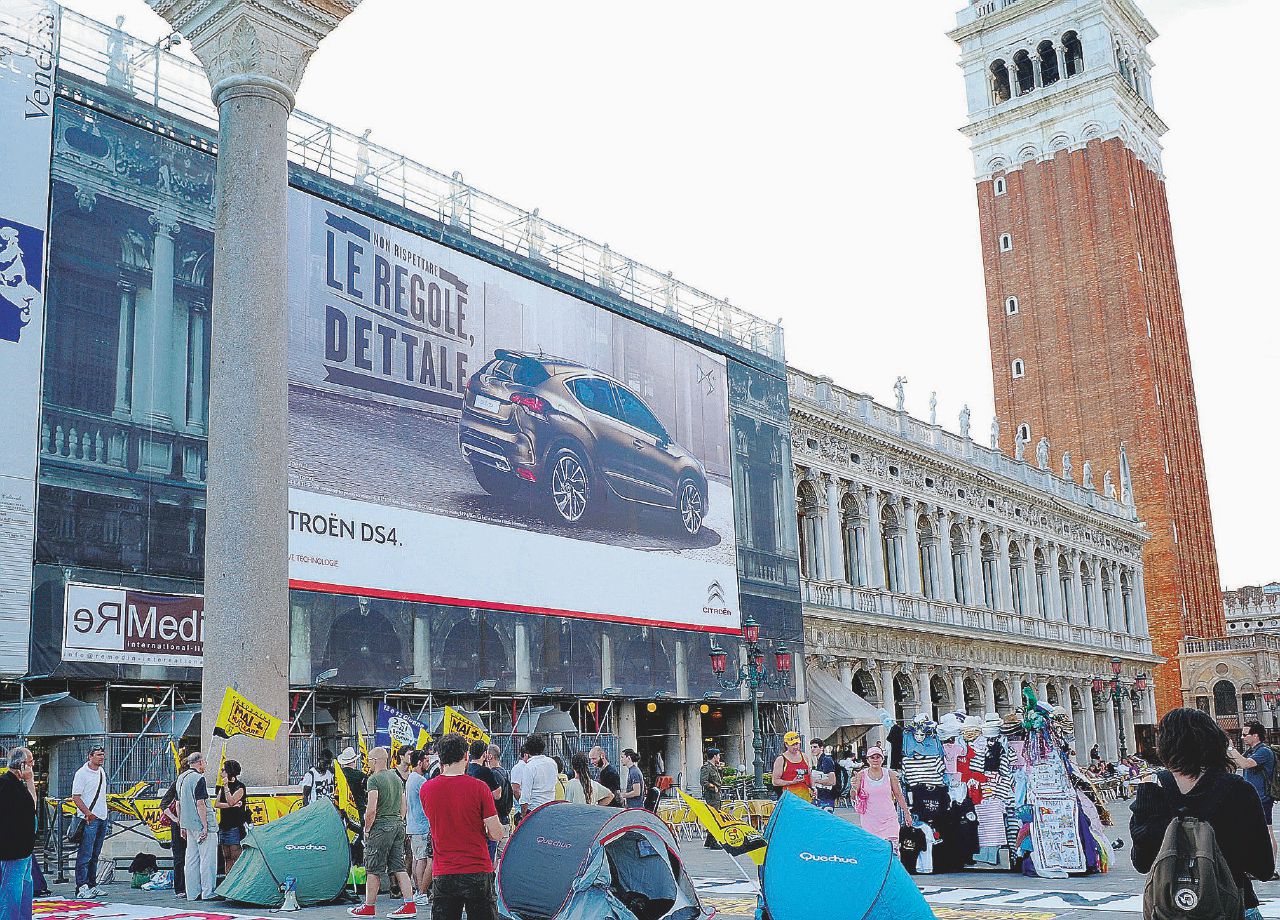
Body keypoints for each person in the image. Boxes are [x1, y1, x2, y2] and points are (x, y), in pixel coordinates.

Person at [1131, 707, 1275, 920]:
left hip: (1169, 909)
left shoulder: (1153, 789)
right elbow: (1263, 868)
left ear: (1165, 745)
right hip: (1233, 907)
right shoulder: (1239, 790)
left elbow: (1142, 863)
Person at [419, 733, 504, 920]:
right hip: (477, 868)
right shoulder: (480, 788)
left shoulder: (427, 789)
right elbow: (497, 833)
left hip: (444, 871)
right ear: (466, 756)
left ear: (440, 758)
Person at [349, 747, 415, 918]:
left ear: (376, 760)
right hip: (397, 825)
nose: (368, 762)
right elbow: (404, 806)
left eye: (369, 759)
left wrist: (367, 829)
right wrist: (398, 821)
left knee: (373, 868)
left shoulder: (374, 779)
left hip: (380, 826)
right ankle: (409, 905)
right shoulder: (396, 777)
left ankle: (368, 907)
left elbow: (371, 809)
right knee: (399, 867)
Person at [1231, 721, 1278, 858]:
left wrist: (1230, 748)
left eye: (1245, 734)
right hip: (1252, 798)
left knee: (1267, 831)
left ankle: (1272, 868)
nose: (1242, 737)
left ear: (1255, 736)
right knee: (1252, 831)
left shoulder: (1264, 751)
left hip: (1263, 798)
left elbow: (1245, 764)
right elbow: (1236, 762)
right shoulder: (1251, 751)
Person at [1, 747, 36, 920]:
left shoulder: (14, 784)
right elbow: (32, 806)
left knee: (24, 888)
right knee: (11, 892)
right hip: (13, 850)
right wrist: (30, 781)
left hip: (24, 849)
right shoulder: (7, 784)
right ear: (22, 765)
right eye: (30, 763)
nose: (33, 766)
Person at [177, 752, 218, 901]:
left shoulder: (180, 778)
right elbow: (200, 803)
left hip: (188, 824)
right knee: (207, 859)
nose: (205, 765)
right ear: (200, 762)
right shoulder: (198, 779)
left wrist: (182, 824)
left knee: (191, 860)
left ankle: (192, 892)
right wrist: (206, 826)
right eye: (205, 762)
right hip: (201, 824)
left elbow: (178, 803)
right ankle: (208, 892)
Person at [71, 744, 109, 898]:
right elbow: (76, 796)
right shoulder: (82, 773)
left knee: (95, 853)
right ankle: (82, 886)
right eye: (98, 755)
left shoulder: (101, 771)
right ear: (90, 756)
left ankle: (92, 884)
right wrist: (88, 813)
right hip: (89, 818)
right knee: (85, 854)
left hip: (102, 817)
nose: (101, 757)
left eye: (102, 754)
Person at [855, 746, 910, 851]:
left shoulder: (890, 774)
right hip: (870, 820)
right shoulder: (861, 775)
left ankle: (892, 867)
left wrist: (907, 813)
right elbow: (854, 794)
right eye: (872, 757)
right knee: (874, 850)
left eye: (878, 757)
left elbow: (898, 795)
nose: (875, 759)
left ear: (882, 759)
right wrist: (853, 786)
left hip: (889, 818)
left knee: (892, 849)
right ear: (867, 760)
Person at [466, 740, 503, 864]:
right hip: (485, 816)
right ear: (485, 753)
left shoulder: (466, 770)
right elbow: (497, 794)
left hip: (468, 816)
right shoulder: (485, 772)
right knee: (488, 854)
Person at [404, 750, 432, 908]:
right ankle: (421, 892)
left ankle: (418, 890)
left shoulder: (411, 779)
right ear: (420, 762)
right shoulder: (420, 780)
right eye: (426, 760)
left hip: (414, 825)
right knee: (421, 859)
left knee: (416, 859)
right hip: (421, 825)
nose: (428, 763)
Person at [214, 759, 248, 874]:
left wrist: (226, 787)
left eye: (223, 770)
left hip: (235, 825)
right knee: (226, 856)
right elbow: (217, 804)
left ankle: (238, 880)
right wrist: (231, 806)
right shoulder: (222, 787)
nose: (221, 772)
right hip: (224, 825)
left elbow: (231, 801)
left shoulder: (240, 787)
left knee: (235, 855)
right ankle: (227, 879)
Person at [160, 765, 189, 898]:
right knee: (179, 857)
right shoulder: (177, 784)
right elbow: (164, 803)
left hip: (190, 824)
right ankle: (180, 888)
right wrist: (175, 818)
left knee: (189, 857)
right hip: (178, 825)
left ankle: (189, 885)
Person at [520, 734, 559, 813]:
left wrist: (523, 815)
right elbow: (554, 782)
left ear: (527, 749)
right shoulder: (552, 763)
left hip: (535, 809)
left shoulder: (529, 767)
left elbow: (525, 795)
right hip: (550, 806)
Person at [772, 732, 814, 802]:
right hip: (789, 798)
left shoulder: (804, 756)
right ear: (786, 744)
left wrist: (813, 787)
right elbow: (775, 781)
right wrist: (792, 782)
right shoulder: (781, 759)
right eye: (792, 744)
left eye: (797, 744)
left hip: (806, 797)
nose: (795, 747)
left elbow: (809, 774)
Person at [700, 748, 725, 848]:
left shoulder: (714, 767)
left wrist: (720, 770)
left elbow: (719, 781)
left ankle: (709, 841)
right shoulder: (706, 767)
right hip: (711, 796)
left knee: (715, 817)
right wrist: (712, 786)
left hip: (717, 796)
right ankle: (713, 842)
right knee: (714, 818)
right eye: (718, 756)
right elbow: (703, 782)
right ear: (714, 756)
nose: (719, 758)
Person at [810, 740, 839, 813]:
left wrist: (815, 781)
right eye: (811, 747)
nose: (812, 749)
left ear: (821, 748)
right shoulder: (819, 760)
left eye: (815, 747)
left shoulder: (826, 760)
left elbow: (832, 781)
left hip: (827, 795)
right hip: (822, 794)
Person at [509, 744, 529, 823]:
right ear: (525, 755)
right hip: (521, 809)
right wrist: (523, 805)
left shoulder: (528, 767)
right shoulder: (518, 768)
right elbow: (516, 790)